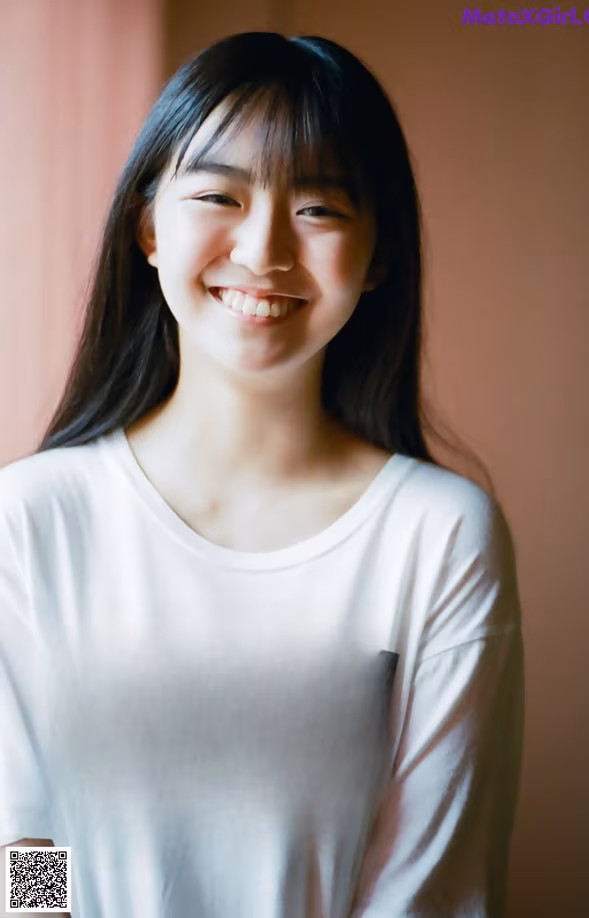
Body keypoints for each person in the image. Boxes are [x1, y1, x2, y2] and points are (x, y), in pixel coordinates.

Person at [0, 31, 524, 918]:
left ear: (380, 255)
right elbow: (23, 837)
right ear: (149, 226)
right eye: (217, 194)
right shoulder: (35, 516)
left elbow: (432, 887)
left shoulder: (437, 534)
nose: (265, 249)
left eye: (318, 209)